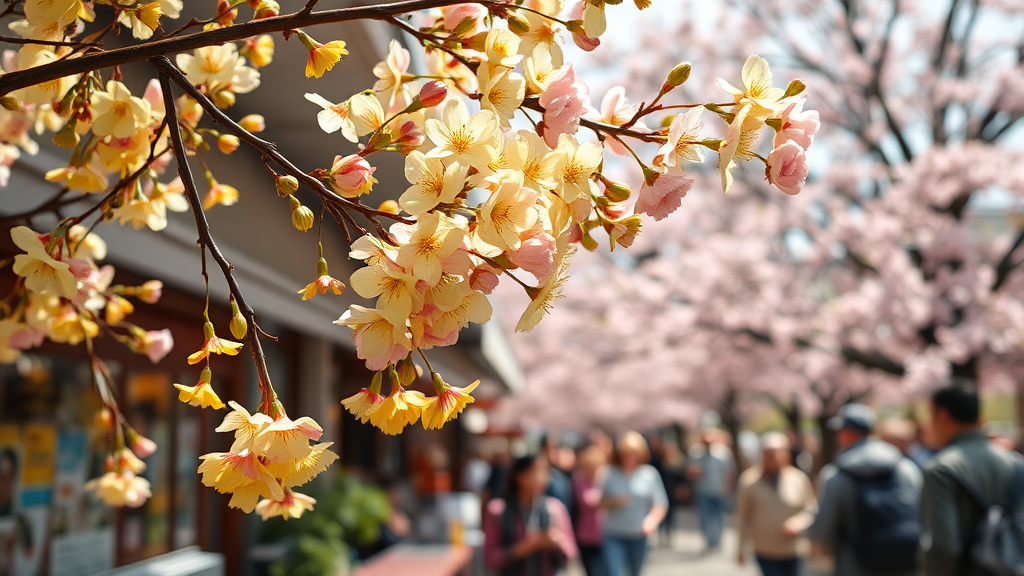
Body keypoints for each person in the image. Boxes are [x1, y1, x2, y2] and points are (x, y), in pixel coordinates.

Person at [807, 403, 921, 576]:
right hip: (906, 564)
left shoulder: (837, 475)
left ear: (847, 433)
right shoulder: (906, 468)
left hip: (855, 568)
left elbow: (820, 533)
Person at [920, 381, 1020, 576]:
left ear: (942, 415)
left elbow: (943, 547)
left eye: (930, 415)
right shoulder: (1016, 462)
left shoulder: (940, 469)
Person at [735, 432, 816, 576]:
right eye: (768, 453)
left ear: (786, 454)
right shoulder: (749, 481)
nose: (772, 457)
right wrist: (741, 548)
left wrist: (798, 523)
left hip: (793, 549)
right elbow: (743, 516)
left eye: (776, 452)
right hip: (764, 549)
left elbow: (811, 508)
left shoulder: (798, 479)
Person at [484, 453, 578, 576]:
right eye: (536, 472)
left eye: (545, 472)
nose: (542, 478)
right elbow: (490, 558)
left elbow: (571, 552)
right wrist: (526, 546)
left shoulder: (555, 509)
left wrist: (557, 542)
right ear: (519, 476)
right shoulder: (498, 510)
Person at [600, 432, 668, 576]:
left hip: (638, 534)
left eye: (633, 453)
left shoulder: (649, 474)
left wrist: (651, 521)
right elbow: (596, 501)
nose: (629, 457)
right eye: (626, 453)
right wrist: (612, 502)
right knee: (614, 572)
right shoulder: (608, 473)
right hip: (614, 533)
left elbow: (660, 503)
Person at [688, 428, 735, 553]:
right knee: (704, 516)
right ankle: (708, 540)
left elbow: (730, 472)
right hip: (703, 490)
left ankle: (717, 540)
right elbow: (690, 472)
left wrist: (727, 487)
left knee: (718, 516)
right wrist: (694, 472)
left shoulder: (723, 453)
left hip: (719, 490)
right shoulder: (696, 454)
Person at [572, 444, 608, 576]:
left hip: (606, 533)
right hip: (585, 534)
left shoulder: (606, 478)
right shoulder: (579, 480)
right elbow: (586, 502)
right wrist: (611, 502)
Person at [542, 433, 575, 515]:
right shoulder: (540, 475)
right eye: (552, 448)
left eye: (557, 448)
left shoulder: (563, 475)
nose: (555, 452)